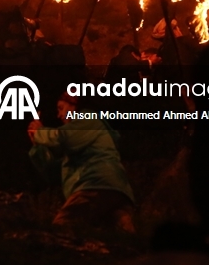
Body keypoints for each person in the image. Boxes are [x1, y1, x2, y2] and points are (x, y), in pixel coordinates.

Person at [28, 93, 135, 231]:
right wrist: (38, 146)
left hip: (95, 186)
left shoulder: (88, 119)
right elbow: (53, 172)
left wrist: (39, 132)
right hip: (115, 191)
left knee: (61, 229)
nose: (58, 115)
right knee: (119, 239)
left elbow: (61, 137)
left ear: (73, 105)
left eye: (60, 108)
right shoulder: (77, 142)